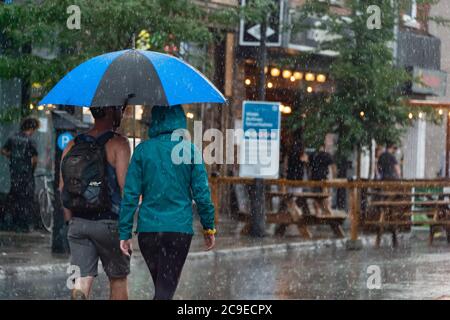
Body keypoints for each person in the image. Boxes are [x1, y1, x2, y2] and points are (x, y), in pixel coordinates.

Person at [119, 105, 216, 300]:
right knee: (165, 291)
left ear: (154, 121)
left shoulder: (143, 150)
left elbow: (130, 194)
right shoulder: (189, 151)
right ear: (180, 121)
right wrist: (208, 227)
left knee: (163, 289)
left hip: (148, 232)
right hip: (178, 232)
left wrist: (125, 232)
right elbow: (202, 194)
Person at [60, 106, 131, 300]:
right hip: (109, 223)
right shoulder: (119, 143)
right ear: (111, 111)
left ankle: (79, 293)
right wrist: (128, 228)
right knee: (118, 279)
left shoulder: (72, 144)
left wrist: (70, 222)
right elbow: (126, 189)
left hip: (78, 222)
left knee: (81, 279)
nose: (122, 113)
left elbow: (62, 188)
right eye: (120, 109)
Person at [1, 118, 40, 232]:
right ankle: (23, 225)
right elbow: (34, 159)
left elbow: (3, 150)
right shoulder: (30, 141)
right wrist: (30, 169)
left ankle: (10, 223)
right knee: (26, 200)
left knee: (14, 198)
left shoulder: (12, 137)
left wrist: (12, 157)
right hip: (26, 175)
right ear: (32, 128)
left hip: (14, 174)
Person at [308, 145, 336, 213]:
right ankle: (326, 211)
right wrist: (334, 178)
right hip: (324, 180)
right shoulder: (327, 155)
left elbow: (309, 167)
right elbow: (333, 167)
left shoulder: (313, 155)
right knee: (325, 196)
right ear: (324, 147)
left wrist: (310, 177)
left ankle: (317, 212)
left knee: (315, 197)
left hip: (315, 179)